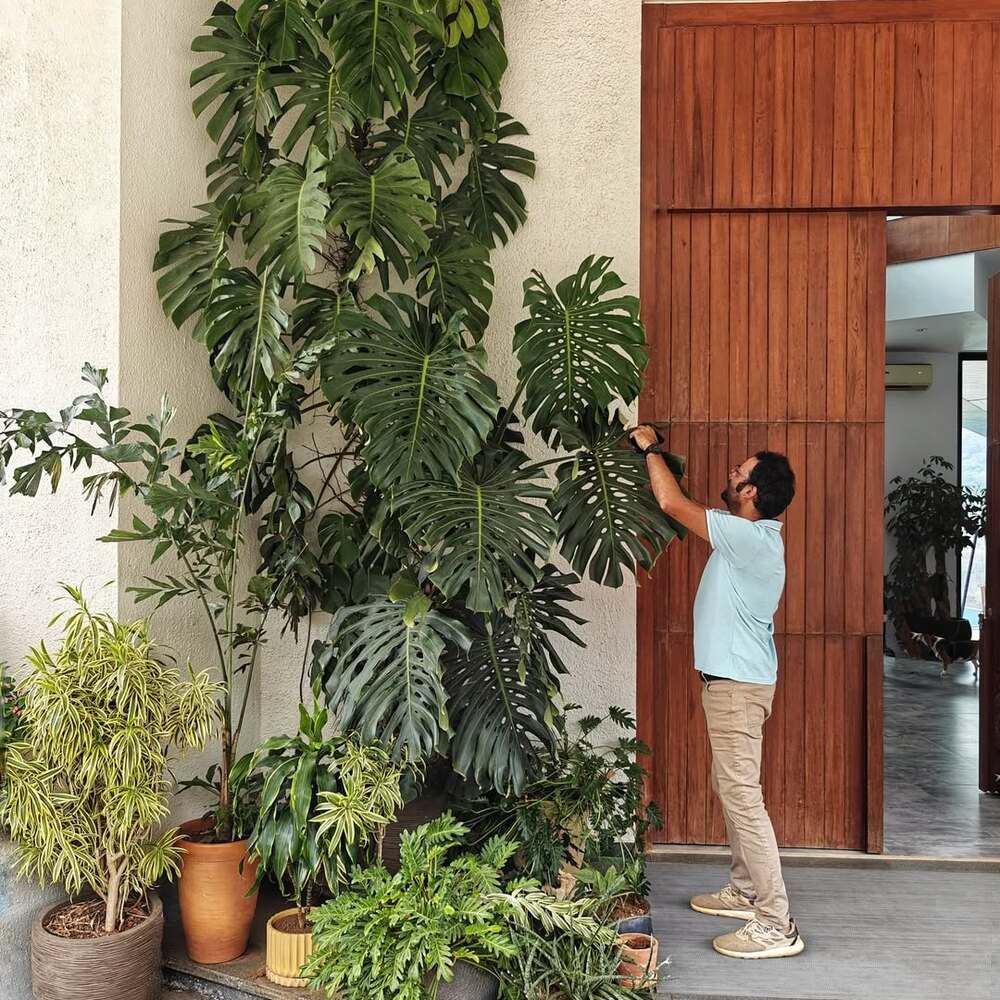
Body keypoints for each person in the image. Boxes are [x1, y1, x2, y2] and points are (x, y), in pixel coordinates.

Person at [629, 425, 802, 960]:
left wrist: (649, 448)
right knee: (733, 790)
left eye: (739, 472)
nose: (731, 474)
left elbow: (671, 502)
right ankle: (745, 891)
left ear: (752, 491)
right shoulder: (740, 529)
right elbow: (691, 506)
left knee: (744, 799)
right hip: (733, 684)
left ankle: (776, 923)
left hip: (737, 688)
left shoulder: (749, 537)